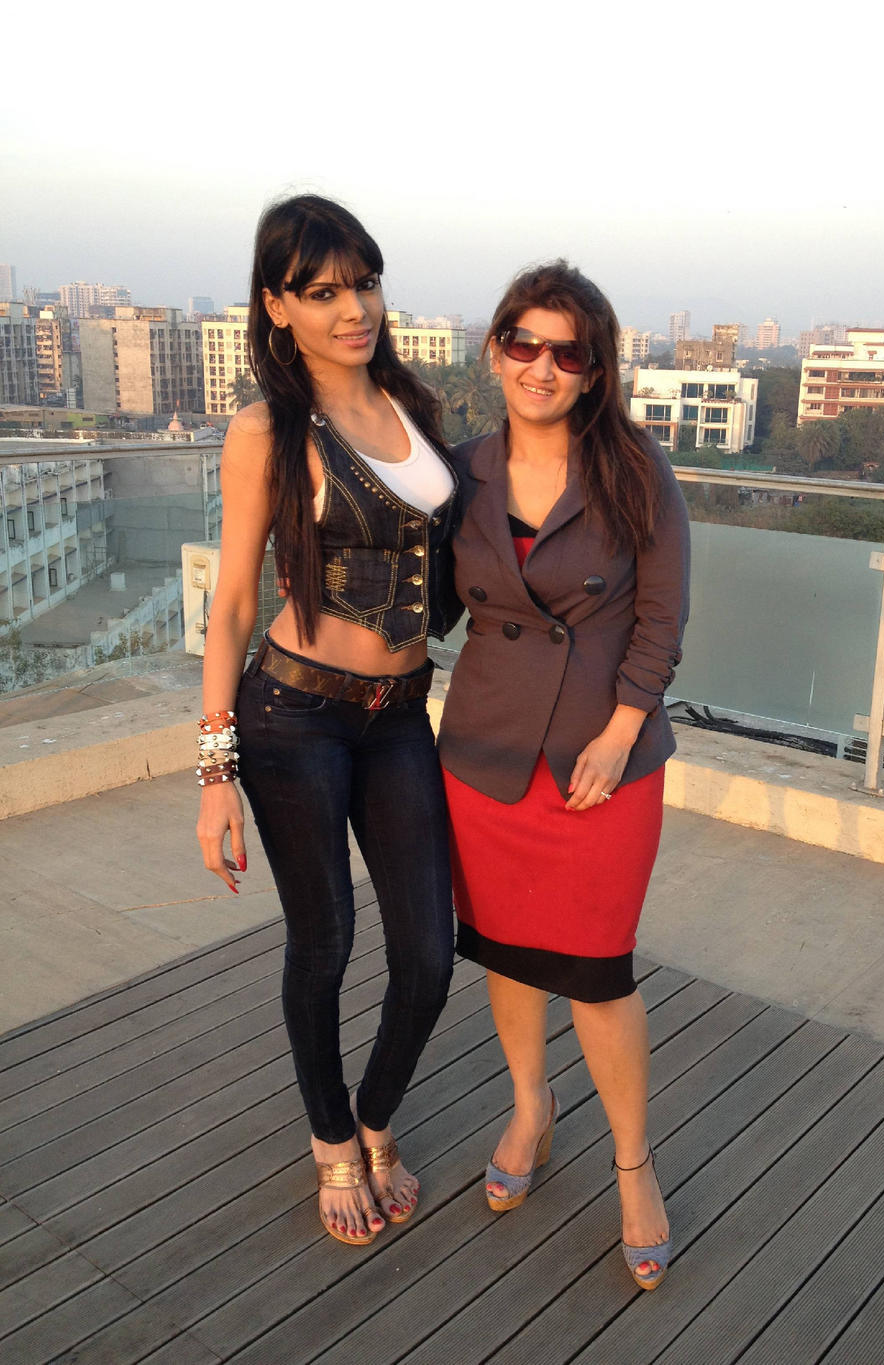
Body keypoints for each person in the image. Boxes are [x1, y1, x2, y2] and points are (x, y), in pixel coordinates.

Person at [196, 195, 460, 1247]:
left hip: (400, 715)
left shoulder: (415, 406)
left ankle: (376, 1115)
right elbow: (231, 604)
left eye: (365, 283)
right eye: (323, 291)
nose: (354, 309)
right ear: (277, 306)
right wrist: (215, 770)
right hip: (294, 715)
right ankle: (331, 1140)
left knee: (428, 953)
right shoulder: (266, 430)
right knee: (326, 941)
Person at [438, 261, 689, 1291]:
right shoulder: (458, 472)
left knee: (596, 970)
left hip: (600, 762)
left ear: (594, 369)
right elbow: (421, 602)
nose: (540, 366)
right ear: (496, 350)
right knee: (506, 951)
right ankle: (531, 1107)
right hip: (485, 754)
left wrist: (623, 729)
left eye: (566, 351)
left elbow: (662, 617)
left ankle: (633, 1163)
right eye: (523, 343)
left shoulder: (634, 469)